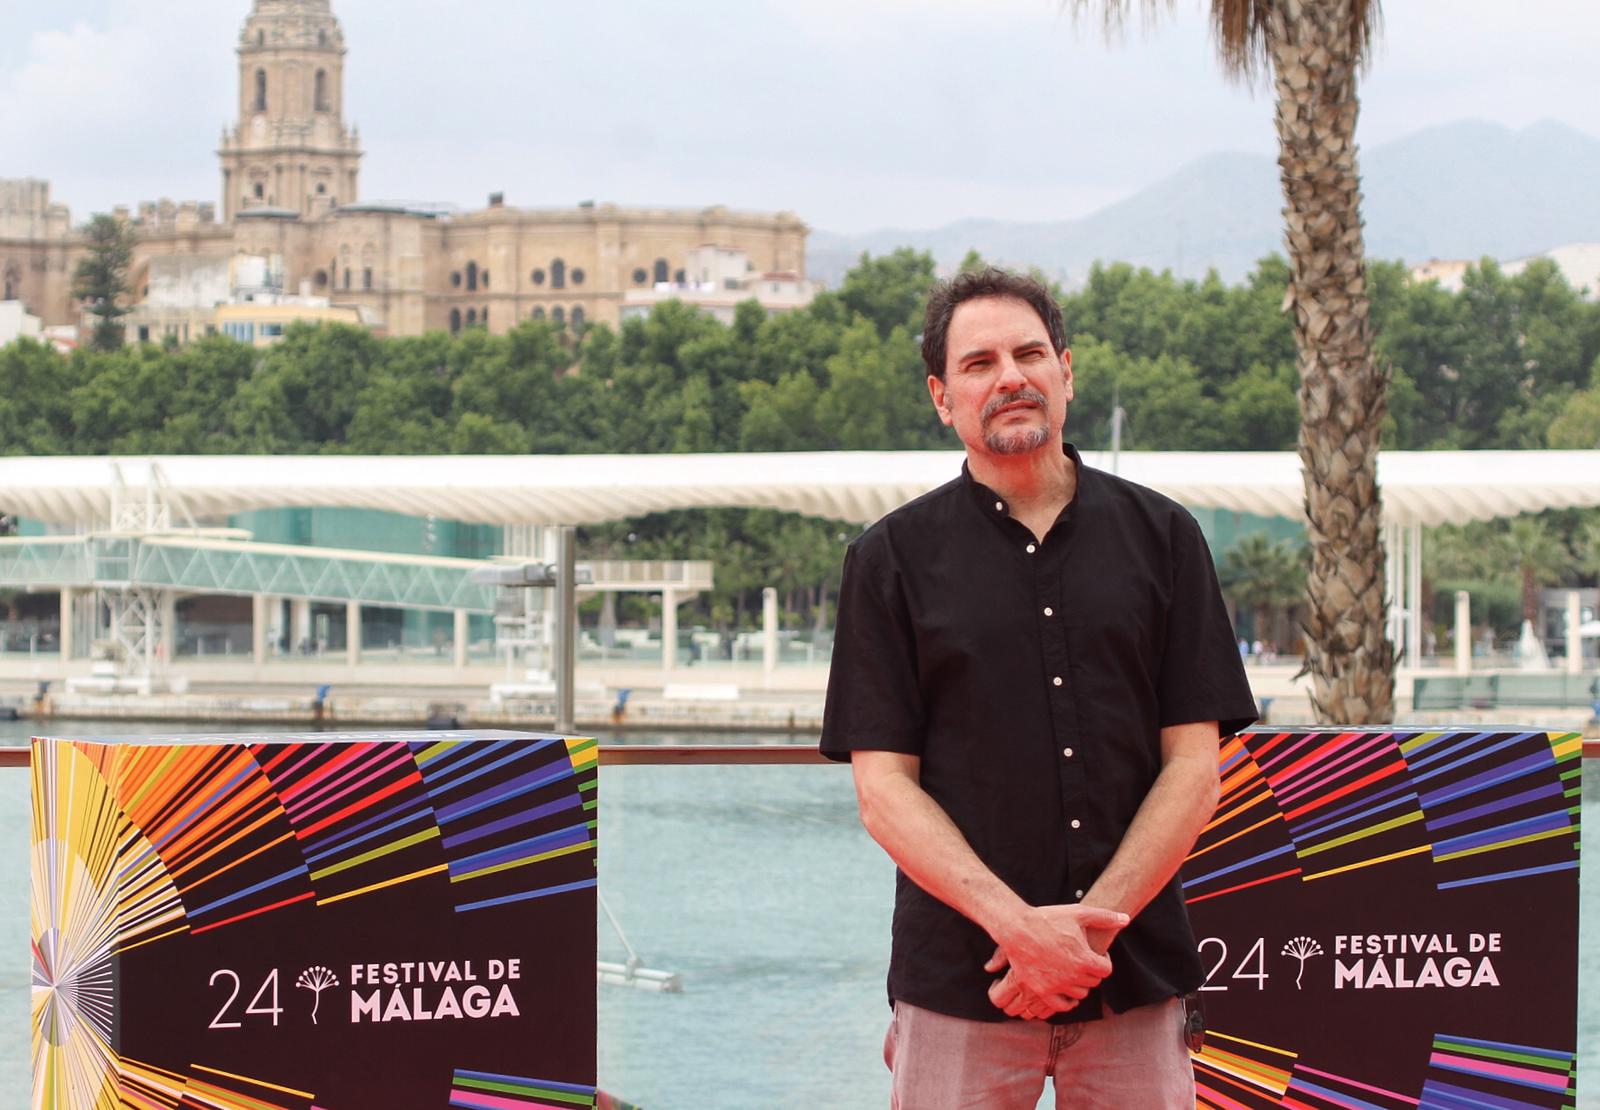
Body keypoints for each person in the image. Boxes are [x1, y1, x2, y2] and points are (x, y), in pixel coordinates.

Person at [820, 267, 1258, 1108]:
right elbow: (883, 793)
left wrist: (1085, 937)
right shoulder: (889, 562)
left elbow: (1194, 770)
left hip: (1135, 977)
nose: (1010, 376)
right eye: (979, 363)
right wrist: (1021, 932)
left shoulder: (1166, 538)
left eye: (1029, 353)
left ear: (1066, 371)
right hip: (961, 983)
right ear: (942, 397)